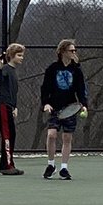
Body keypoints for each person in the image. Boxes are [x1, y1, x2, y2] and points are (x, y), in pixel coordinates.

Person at [39, 39, 89, 180]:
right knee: (51, 135)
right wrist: (45, 104)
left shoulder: (77, 71)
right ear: (62, 52)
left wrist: (83, 104)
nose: (74, 53)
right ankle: (51, 165)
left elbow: (81, 90)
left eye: (75, 51)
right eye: (71, 51)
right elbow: (45, 88)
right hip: (55, 107)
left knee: (67, 138)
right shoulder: (52, 69)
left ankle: (64, 168)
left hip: (70, 108)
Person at [0, 43, 26, 175]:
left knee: (11, 134)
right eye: (19, 55)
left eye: (22, 55)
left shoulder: (12, 71)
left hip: (9, 105)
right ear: (11, 56)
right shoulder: (6, 69)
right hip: (2, 104)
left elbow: (13, 91)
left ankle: (8, 164)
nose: (21, 58)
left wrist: (15, 107)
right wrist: (0, 67)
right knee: (7, 135)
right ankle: (7, 166)